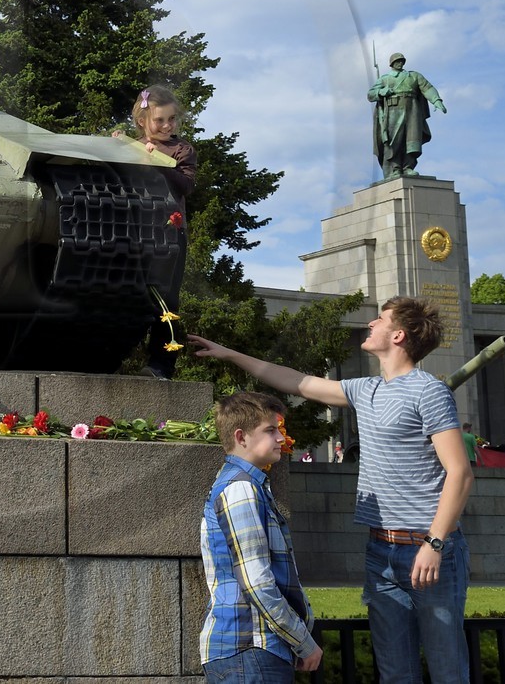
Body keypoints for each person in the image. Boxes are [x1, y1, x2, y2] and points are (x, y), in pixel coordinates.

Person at [189, 296, 473, 683]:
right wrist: (229, 354)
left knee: (447, 671)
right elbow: (297, 381)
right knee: (394, 674)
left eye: (380, 319)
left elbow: (460, 473)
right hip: (381, 551)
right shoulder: (366, 390)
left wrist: (434, 543)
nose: (371, 324)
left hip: (429, 548)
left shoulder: (429, 392)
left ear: (398, 335)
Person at [198, 391, 322, 681]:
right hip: (251, 647)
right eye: (270, 430)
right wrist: (303, 642)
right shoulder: (240, 489)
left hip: (249, 651)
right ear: (241, 437)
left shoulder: (243, 485)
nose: (280, 438)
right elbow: (257, 583)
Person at [113, 85, 198, 379]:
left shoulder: (181, 149)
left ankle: (161, 364)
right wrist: (118, 149)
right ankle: (113, 356)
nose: (167, 125)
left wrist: (159, 163)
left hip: (169, 234)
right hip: (131, 231)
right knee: (127, 293)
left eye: (172, 119)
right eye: (159, 120)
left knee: (166, 299)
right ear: (142, 121)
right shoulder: (132, 146)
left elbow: (186, 185)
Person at [368, 52, 446, 178]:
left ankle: (408, 167)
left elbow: (427, 88)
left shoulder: (414, 76)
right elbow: (370, 94)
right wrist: (381, 91)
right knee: (394, 141)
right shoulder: (385, 78)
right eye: (397, 61)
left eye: (401, 61)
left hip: (412, 109)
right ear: (391, 64)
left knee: (412, 139)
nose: (399, 63)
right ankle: (396, 168)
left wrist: (437, 100)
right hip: (393, 110)